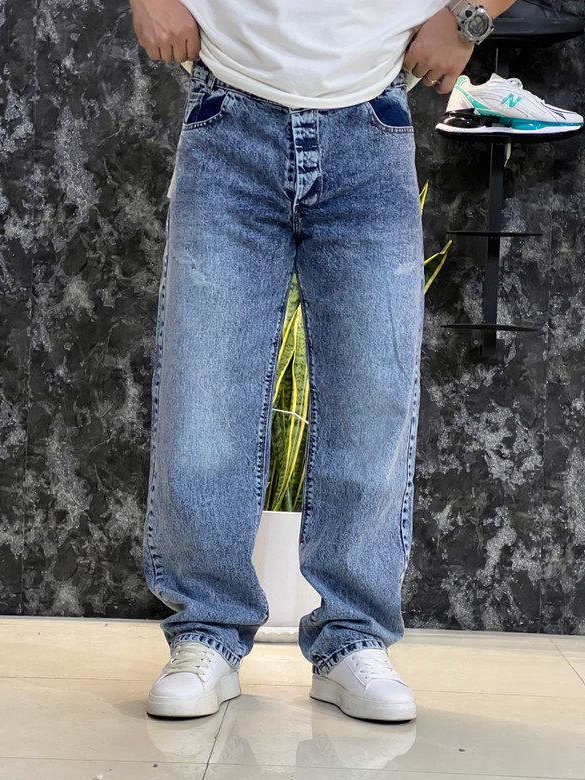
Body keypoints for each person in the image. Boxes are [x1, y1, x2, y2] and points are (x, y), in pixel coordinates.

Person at [129, 0, 517, 722]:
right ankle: (206, 634)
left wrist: (468, 15)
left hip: (370, 114)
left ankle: (352, 639)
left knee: (371, 396)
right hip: (229, 108)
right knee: (204, 392)